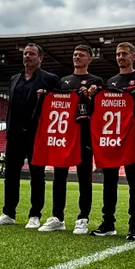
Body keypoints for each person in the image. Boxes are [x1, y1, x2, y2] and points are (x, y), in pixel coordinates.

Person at [0, 43, 58, 228]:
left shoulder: (50, 79)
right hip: (14, 134)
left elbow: (58, 104)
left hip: (36, 134)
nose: (27, 56)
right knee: (11, 175)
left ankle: (35, 215)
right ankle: (8, 213)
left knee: (37, 176)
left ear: (40, 58)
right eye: (25, 53)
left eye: (32, 54)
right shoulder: (14, 79)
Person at [39, 44, 103, 234]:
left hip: (84, 134)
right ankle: (57, 217)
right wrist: (44, 96)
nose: (77, 57)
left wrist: (91, 97)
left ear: (90, 59)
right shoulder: (63, 82)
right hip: (64, 135)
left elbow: (99, 108)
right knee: (59, 176)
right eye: (75, 54)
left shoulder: (96, 81)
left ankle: (83, 218)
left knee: (84, 177)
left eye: (81, 55)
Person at [92, 43, 135, 240]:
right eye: (118, 54)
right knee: (109, 181)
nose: (120, 57)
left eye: (124, 54)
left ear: (133, 56)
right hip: (112, 140)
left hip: (132, 139)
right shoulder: (112, 81)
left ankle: (134, 226)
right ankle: (108, 222)